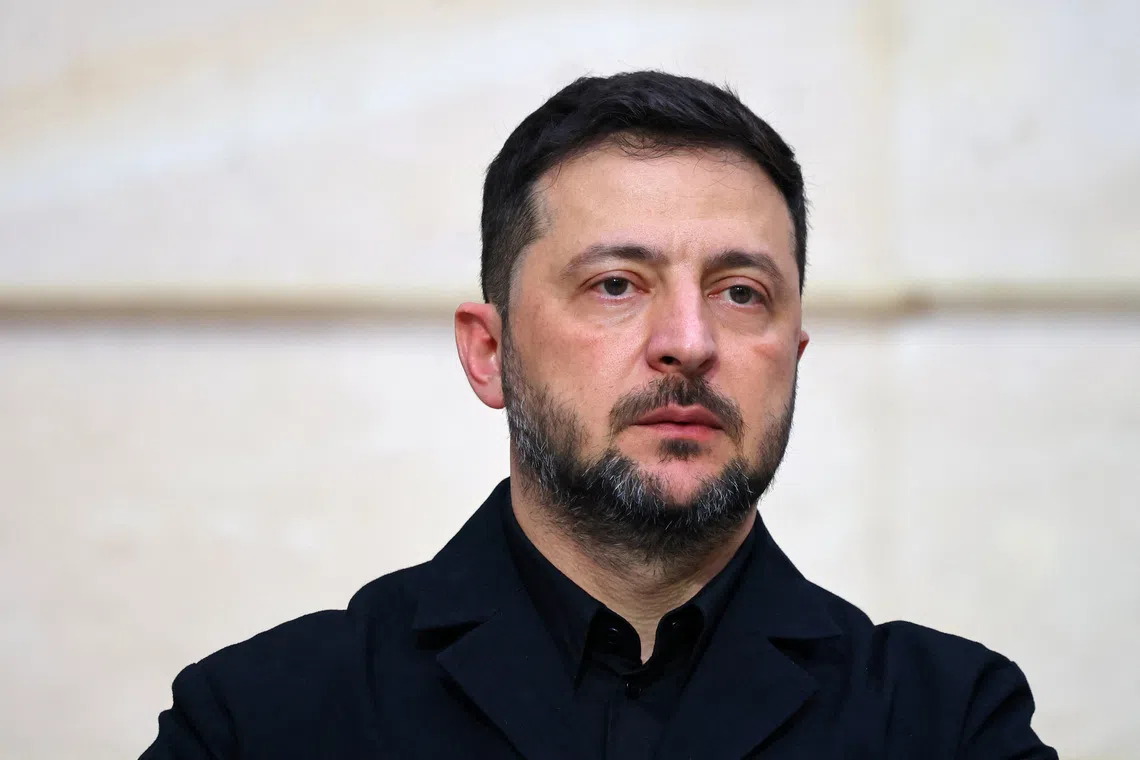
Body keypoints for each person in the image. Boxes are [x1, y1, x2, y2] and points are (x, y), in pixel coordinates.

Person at [141, 71, 1056, 759]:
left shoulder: (949, 726)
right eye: (616, 285)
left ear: (795, 357)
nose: (689, 341)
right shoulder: (261, 726)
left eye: (742, 293)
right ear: (488, 352)